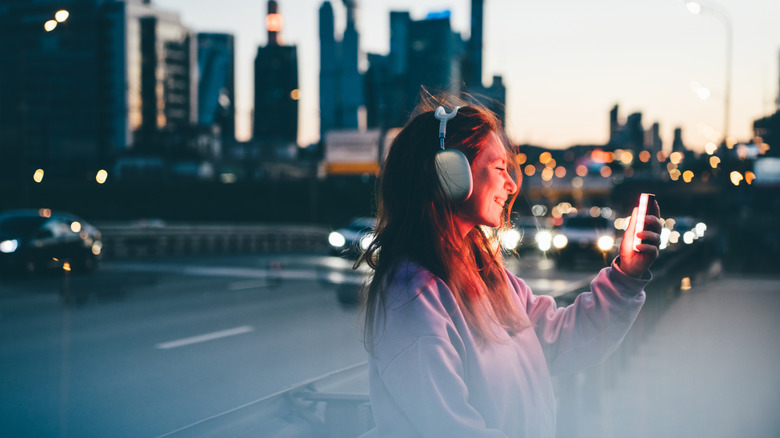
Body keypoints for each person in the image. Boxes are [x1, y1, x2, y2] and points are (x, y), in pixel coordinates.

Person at [356, 91, 662, 438]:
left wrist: (627, 276)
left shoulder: (486, 276)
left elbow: (563, 341)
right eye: (500, 167)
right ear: (449, 173)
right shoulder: (411, 295)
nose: (511, 183)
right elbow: (450, 430)